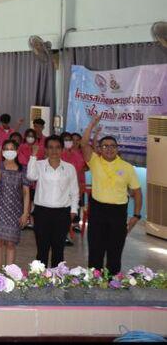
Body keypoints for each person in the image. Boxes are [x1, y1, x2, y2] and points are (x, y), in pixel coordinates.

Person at [81, 114, 143, 275]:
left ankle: (113, 280)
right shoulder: (94, 161)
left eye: (112, 146)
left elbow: (137, 192)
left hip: (118, 212)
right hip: (97, 210)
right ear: (100, 149)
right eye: (105, 146)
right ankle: (94, 278)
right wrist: (92, 124)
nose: (109, 149)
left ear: (117, 148)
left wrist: (136, 215)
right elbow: (83, 144)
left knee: (115, 249)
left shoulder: (127, 167)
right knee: (95, 248)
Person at [27, 135, 79, 267]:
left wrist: (73, 210)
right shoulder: (39, 165)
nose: (54, 151)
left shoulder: (69, 168)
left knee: (59, 250)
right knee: (42, 249)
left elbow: (74, 191)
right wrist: (33, 156)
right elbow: (31, 176)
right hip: (42, 212)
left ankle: (58, 276)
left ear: (62, 149)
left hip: (62, 213)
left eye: (57, 147)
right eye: (50, 147)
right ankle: (40, 276)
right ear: (45, 149)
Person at [0, 140, 31, 269]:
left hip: (15, 210)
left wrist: (25, 213)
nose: (9, 151)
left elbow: (26, 192)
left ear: (17, 151)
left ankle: (9, 273)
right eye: (6, 149)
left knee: (11, 243)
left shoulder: (23, 169)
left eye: (12, 149)